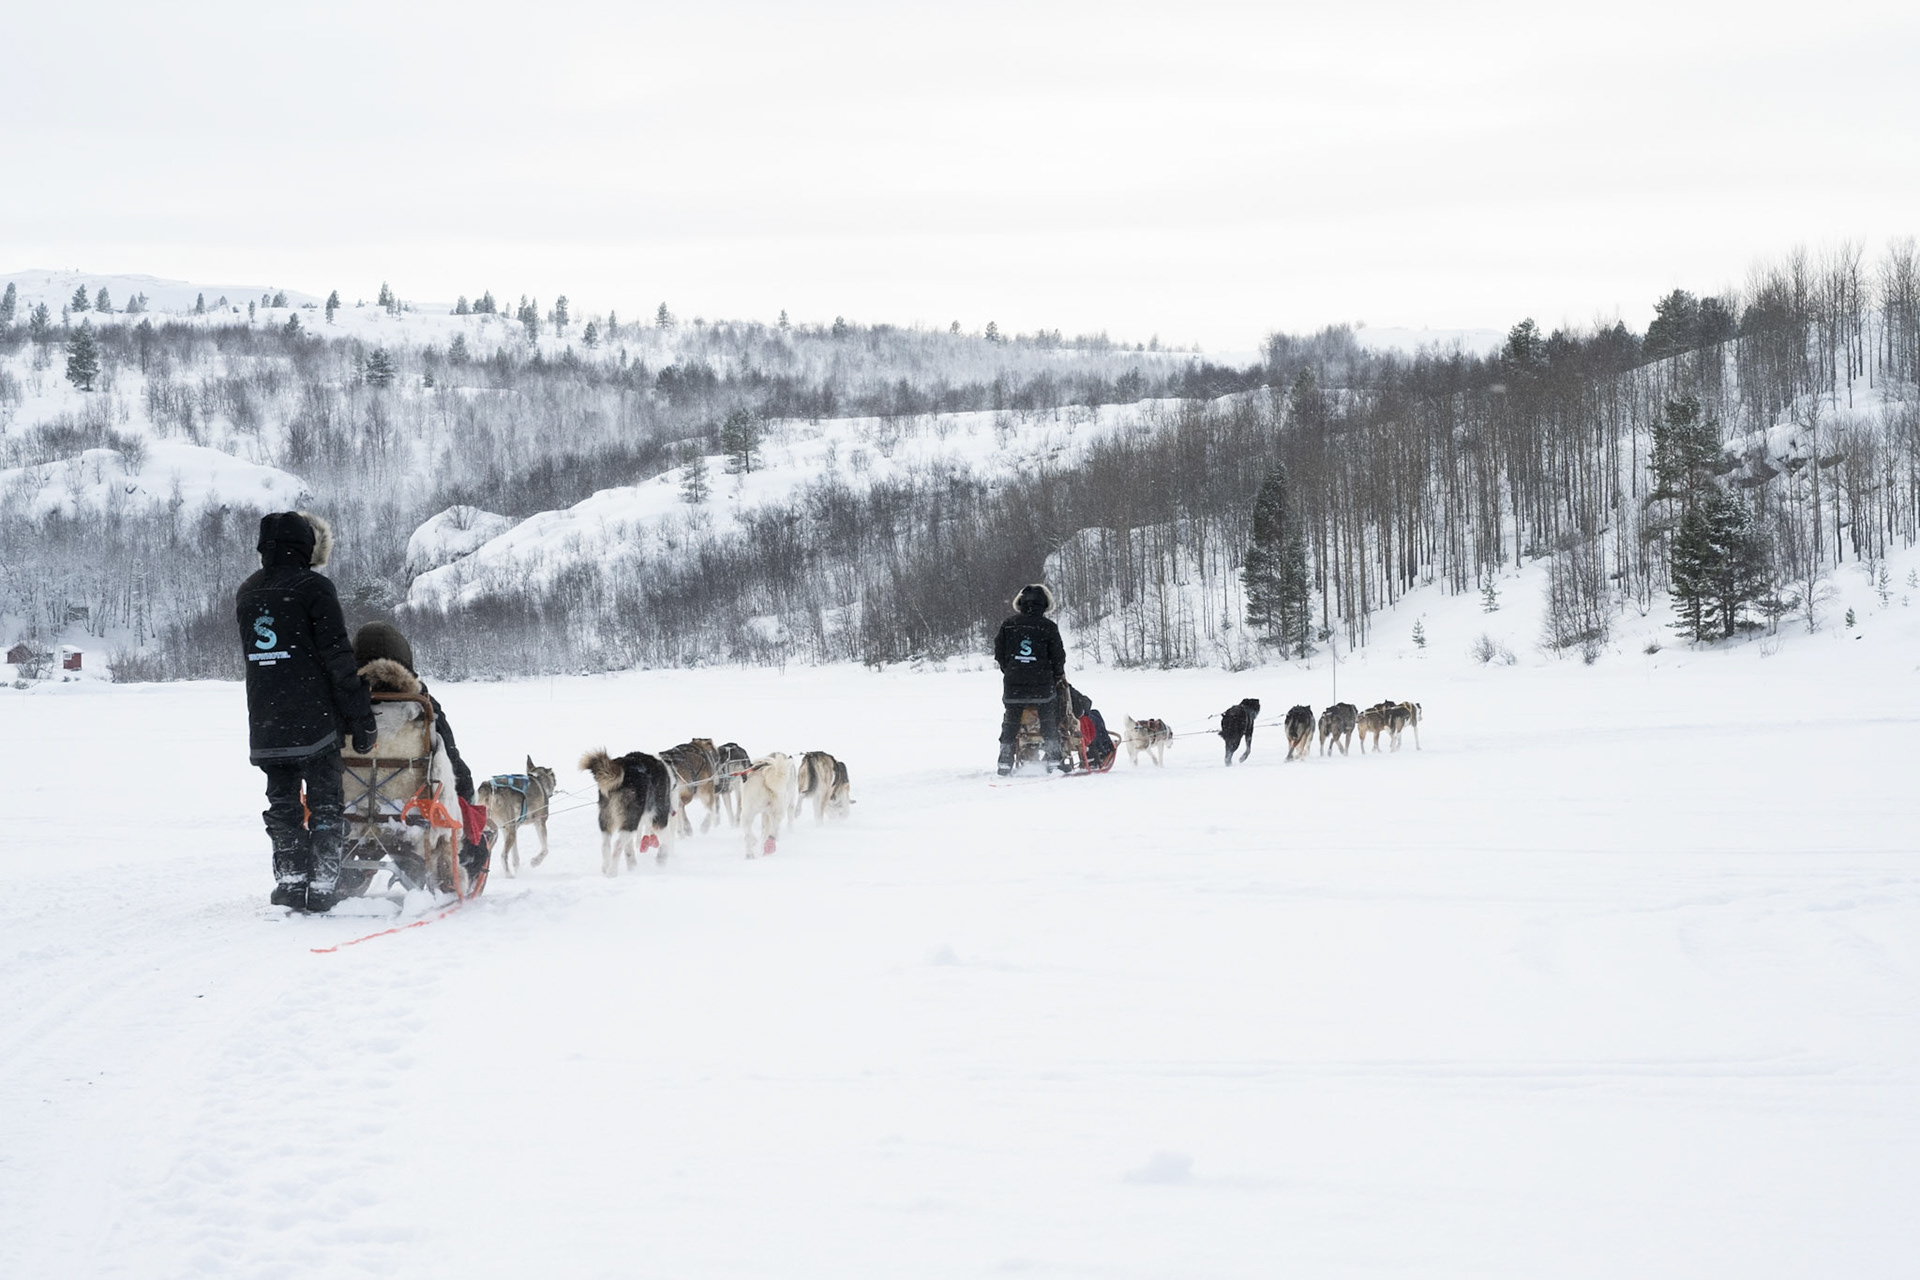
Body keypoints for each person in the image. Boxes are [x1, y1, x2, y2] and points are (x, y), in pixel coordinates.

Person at [236, 510, 377, 913]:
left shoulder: (247, 592)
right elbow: (338, 659)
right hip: (314, 719)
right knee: (325, 804)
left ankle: (290, 882)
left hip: (266, 720)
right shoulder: (314, 588)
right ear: (306, 547)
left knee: (282, 804)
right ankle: (323, 884)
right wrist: (360, 719)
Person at [350, 621, 489, 886]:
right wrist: (466, 797)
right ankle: (456, 868)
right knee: (465, 805)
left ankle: (355, 868)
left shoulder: (339, 707)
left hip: (351, 807)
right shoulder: (422, 707)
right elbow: (452, 760)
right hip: (413, 809)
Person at [993, 583, 1068, 775]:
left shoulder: (1008, 624)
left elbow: (999, 653)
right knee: (1048, 722)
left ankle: (1004, 762)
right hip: (1042, 686)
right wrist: (1056, 674)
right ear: (1044, 605)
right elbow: (1058, 657)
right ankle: (1053, 761)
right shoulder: (1048, 627)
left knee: (1010, 724)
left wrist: (1010, 670)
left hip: (1013, 687)